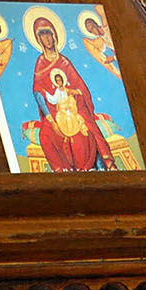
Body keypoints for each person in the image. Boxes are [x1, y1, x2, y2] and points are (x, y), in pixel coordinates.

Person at [28, 14, 115, 172]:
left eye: (48, 34)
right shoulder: (40, 63)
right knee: (46, 136)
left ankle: (102, 165)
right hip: (54, 111)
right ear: (38, 40)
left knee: (87, 128)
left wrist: (74, 96)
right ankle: (63, 172)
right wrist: (49, 117)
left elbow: (81, 88)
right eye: (42, 36)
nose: (46, 39)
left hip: (74, 107)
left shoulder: (64, 62)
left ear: (54, 35)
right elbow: (38, 93)